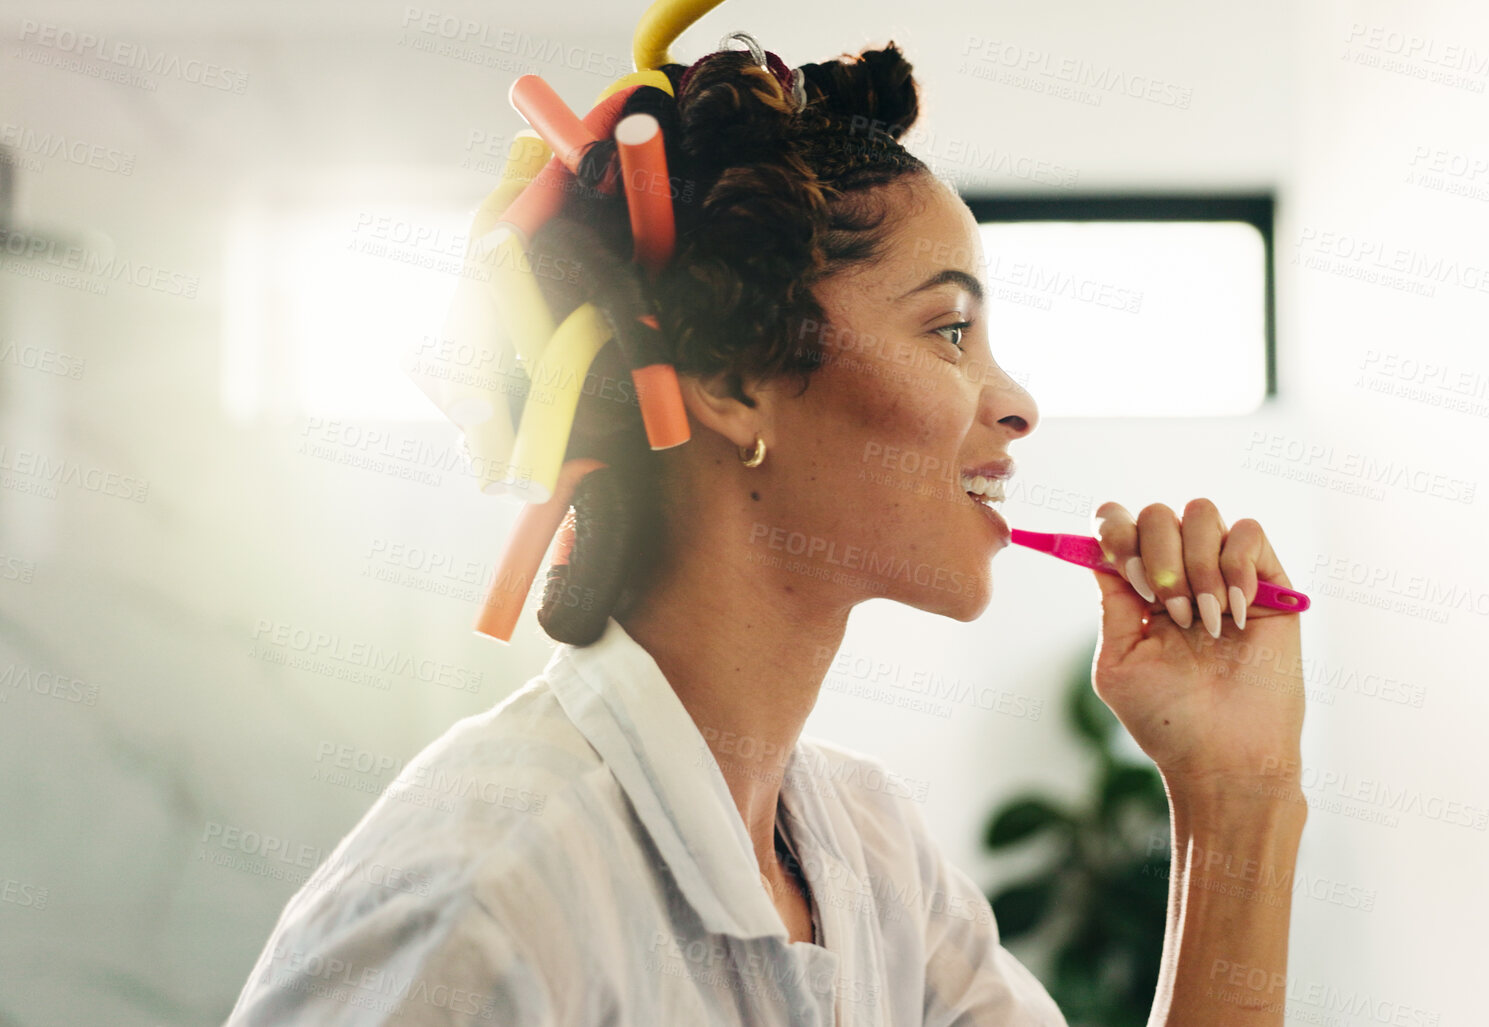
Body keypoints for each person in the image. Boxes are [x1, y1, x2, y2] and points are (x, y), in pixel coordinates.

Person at [227, 36, 1307, 1027]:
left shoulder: (876, 863)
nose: (1017, 402)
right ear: (732, 380)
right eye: (949, 329)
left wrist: (1238, 795)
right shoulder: (480, 908)